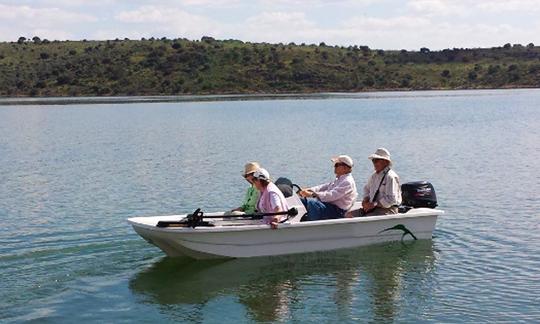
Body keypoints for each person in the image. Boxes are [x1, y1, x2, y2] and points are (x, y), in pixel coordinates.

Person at [298, 155, 358, 221]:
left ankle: (309, 225)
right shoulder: (339, 178)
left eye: (337, 165)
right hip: (330, 207)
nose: (334, 166)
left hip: (338, 211)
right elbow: (324, 187)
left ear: (345, 168)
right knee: (303, 201)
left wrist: (312, 194)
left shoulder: (347, 181)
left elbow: (331, 195)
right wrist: (309, 190)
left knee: (312, 203)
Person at [361, 148, 402, 216]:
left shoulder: (391, 176)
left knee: (366, 217)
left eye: (376, 160)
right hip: (374, 208)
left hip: (389, 209)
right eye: (373, 161)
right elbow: (366, 189)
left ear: (385, 162)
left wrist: (374, 204)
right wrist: (365, 201)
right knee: (349, 215)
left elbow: (391, 200)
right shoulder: (374, 176)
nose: (374, 163)